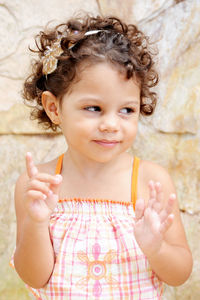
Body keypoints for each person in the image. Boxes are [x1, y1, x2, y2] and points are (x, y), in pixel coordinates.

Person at [12, 14, 193, 299]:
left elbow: (180, 274)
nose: (111, 124)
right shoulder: (38, 185)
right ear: (54, 108)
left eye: (127, 110)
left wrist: (157, 248)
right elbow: (34, 277)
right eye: (94, 108)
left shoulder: (151, 182)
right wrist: (36, 224)